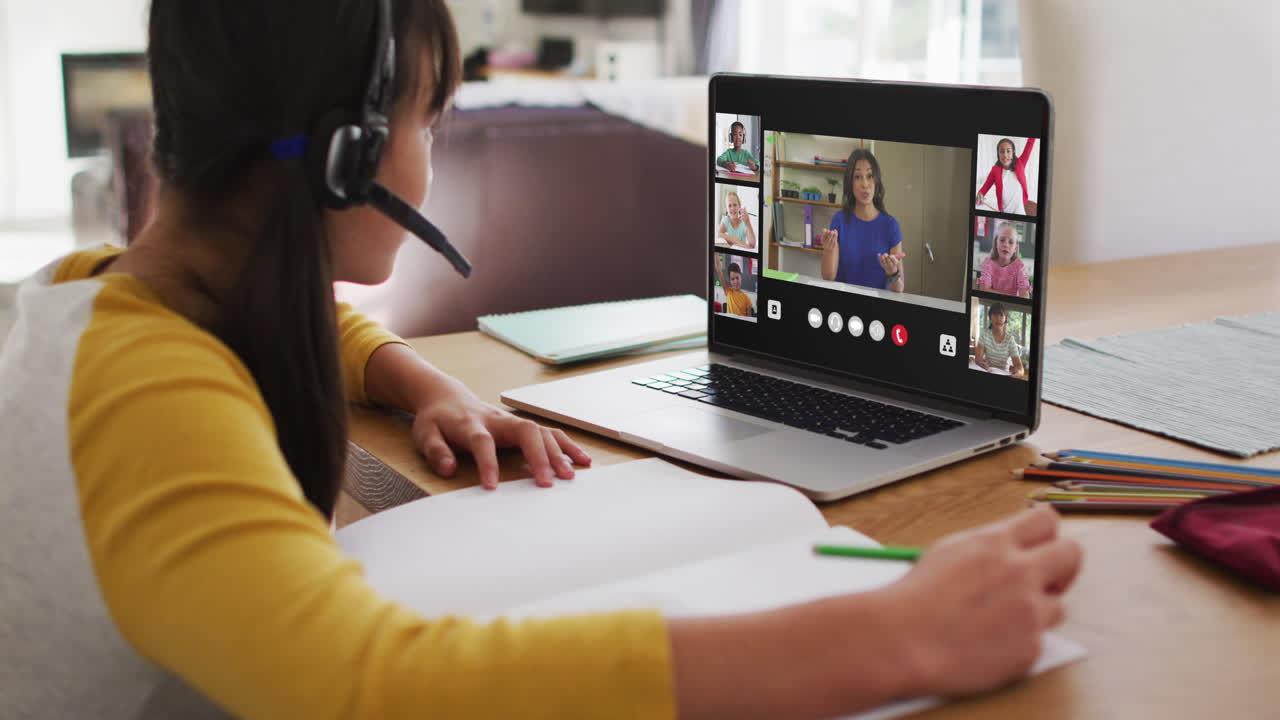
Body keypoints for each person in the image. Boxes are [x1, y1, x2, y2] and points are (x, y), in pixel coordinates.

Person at [0, 2, 1080, 718]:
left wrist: (423, 382)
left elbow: (293, 320)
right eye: (432, 123)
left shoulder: (102, 300)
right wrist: (893, 637)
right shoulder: (150, 398)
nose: (431, 156)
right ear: (346, 158)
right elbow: (368, 689)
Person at [820, 148, 907, 292]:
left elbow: (899, 289)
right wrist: (828, 250)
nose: (865, 184)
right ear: (850, 182)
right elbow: (828, 277)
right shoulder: (839, 220)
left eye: (870, 176)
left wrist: (892, 272)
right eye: (857, 177)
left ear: (877, 180)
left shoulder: (891, 225)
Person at [976, 137, 1037, 216]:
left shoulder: (1020, 163)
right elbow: (984, 188)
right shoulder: (995, 170)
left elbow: (1030, 144)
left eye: (1008, 151)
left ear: (1013, 152)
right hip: (1004, 211)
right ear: (998, 154)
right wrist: (980, 195)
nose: (1005, 155)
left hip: (1019, 210)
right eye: (1002, 151)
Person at [978, 221, 1032, 298]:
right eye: (1002, 240)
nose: (1006, 245)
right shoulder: (988, 263)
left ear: (1015, 248)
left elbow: (1025, 296)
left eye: (1011, 242)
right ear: (996, 243)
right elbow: (983, 290)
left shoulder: (1019, 266)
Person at [975, 302, 1028, 379]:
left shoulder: (1010, 340)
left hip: (1004, 375)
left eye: (1001, 315)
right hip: (987, 371)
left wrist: (1018, 373)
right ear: (990, 317)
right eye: (995, 315)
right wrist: (982, 364)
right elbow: (978, 360)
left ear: (1005, 318)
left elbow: (1020, 368)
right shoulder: (984, 335)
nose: (998, 318)